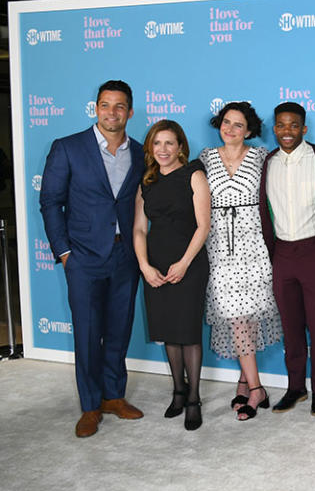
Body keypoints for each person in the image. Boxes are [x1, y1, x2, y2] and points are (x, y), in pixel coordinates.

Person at [39, 80, 146, 438]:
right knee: (87, 333)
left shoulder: (143, 152)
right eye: (105, 105)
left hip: (125, 255)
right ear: (95, 108)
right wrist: (65, 252)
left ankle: (114, 396)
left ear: (129, 112)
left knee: (119, 329)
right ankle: (89, 405)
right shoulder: (68, 148)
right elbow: (51, 202)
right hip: (83, 257)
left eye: (119, 106)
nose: (111, 112)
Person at [201, 101, 282, 421]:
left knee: (246, 317)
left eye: (238, 125)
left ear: (249, 131)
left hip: (255, 245)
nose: (230, 129)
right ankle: (256, 386)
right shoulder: (206, 159)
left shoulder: (262, 158)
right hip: (219, 247)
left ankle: (246, 382)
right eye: (226, 122)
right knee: (234, 316)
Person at [258, 102, 315, 417]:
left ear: (304, 129)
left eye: (293, 125)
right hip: (283, 254)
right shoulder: (270, 162)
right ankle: (295, 388)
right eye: (280, 125)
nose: (286, 131)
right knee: (291, 327)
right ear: (274, 129)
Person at [133, 120, 210, 431]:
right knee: (168, 329)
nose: (162, 150)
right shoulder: (146, 182)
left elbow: (203, 226)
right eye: (157, 143)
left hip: (189, 262)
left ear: (180, 146)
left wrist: (184, 263)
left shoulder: (194, 174)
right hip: (155, 263)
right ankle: (177, 391)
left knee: (187, 331)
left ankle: (193, 398)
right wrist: (144, 266)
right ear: (151, 148)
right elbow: (139, 228)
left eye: (169, 143)